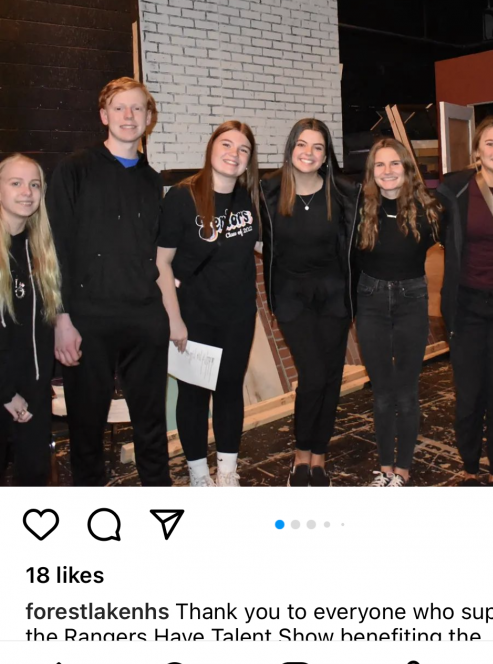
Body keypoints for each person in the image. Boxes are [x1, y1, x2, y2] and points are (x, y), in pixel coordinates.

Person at [46, 77, 171, 487]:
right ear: (104, 115)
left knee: (152, 425)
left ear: (149, 118)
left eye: (137, 108)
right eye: (119, 107)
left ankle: (162, 504)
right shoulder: (74, 170)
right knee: (86, 429)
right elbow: (54, 248)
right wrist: (61, 319)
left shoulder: (153, 182)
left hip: (145, 317)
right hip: (88, 319)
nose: (128, 116)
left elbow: (158, 251)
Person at [157, 121, 260, 487]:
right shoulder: (182, 197)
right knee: (194, 394)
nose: (234, 153)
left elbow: (262, 246)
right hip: (194, 315)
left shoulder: (250, 198)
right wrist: (174, 319)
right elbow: (162, 262)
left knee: (230, 390)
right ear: (211, 148)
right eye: (226, 144)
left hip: (239, 314)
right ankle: (199, 474)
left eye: (243, 149)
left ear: (249, 160)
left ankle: (228, 471)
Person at [260, 118, 360, 487]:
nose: (309, 152)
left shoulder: (345, 193)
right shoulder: (267, 190)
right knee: (313, 374)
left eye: (318, 147)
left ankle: (319, 455)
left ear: (326, 155)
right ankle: (301, 453)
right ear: (290, 149)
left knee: (331, 377)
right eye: (302, 144)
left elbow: (360, 242)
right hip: (290, 297)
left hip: (334, 296)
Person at [437, 116, 493, 486]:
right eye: (489, 143)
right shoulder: (454, 189)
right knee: (469, 393)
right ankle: (471, 464)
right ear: (477, 152)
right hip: (466, 307)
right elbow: (427, 227)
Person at [355, 138, 442, 487]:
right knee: (381, 392)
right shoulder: (359, 209)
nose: (388, 171)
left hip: (411, 299)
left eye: (395, 164)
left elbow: (461, 246)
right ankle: (385, 468)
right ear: (371, 171)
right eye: (380, 164)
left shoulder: (429, 210)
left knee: (406, 392)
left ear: (407, 169)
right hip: (370, 300)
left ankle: (402, 469)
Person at [0, 155, 61, 486]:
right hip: (5, 391)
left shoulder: (41, 250)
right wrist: (7, 394)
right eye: (16, 183)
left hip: (34, 393)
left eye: (34, 185)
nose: (27, 192)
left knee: (34, 480)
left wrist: (37, 390)